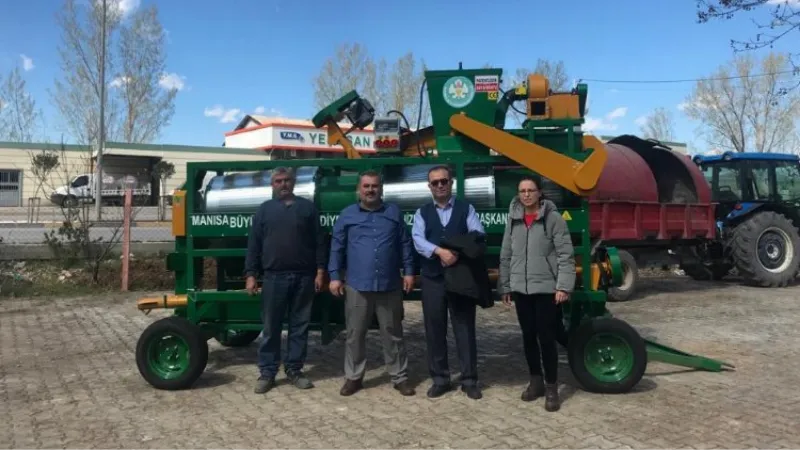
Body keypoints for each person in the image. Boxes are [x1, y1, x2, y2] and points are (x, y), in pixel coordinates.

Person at [328, 170, 416, 397]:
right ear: (359, 189)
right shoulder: (347, 215)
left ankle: (399, 377)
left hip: (389, 284)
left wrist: (408, 272)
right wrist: (335, 276)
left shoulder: (393, 213)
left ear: (381, 189)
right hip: (357, 284)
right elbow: (337, 246)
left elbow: (405, 244)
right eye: (366, 186)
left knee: (393, 332)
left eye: (374, 186)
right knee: (355, 333)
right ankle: (354, 377)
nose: (370, 190)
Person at [244, 166, 327, 395]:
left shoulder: (308, 208)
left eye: (287, 180)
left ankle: (294, 370)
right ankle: (267, 373)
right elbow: (254, 245)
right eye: (278, 181)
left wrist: (320, 272)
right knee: (271, 327)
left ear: (294, 183)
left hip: (304, 278)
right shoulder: (264, 211)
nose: (283, 184)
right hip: (273, 278)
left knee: (299, 327)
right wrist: (251, 274)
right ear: (272, 185)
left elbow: (320, 243)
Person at [497, 176, 576, 412]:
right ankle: (536, 381)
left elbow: (565, 255)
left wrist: (563, 286)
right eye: (522, 191)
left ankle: (552, 387)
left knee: (546, 338)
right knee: (528, 337)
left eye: (531, 190)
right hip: (522, 290)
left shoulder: (553, 219)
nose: (527, 194)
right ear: (518, 194)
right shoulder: (513, 220)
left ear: (539, 193)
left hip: (546, 290)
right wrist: (506, 285)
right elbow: (505, 254)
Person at [411, 165, 486, 400]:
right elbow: (417, 240)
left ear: (451, 183)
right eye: (435, 182)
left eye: (444, 181)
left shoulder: (467, 209)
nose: (440, 185)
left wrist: (455, 251)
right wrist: (439, 252)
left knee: (464, 329)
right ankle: (440, 379)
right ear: (429, 186)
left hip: (461, 279)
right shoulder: (422, 213)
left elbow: (477, 235)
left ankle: (469, 380)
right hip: (433, 280)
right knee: (434, 331)